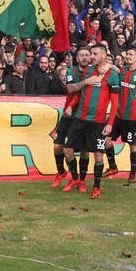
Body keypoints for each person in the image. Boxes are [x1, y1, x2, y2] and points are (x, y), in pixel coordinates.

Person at [62, 43, 119, 199]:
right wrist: (71, 106)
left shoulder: (112, 75)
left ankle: (96, 187)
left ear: (103, 55)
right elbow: (80, 93)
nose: (91, 56)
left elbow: (115, 102)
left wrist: (110, 123)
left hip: (98, 122)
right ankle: (75, 179)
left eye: (94, 54)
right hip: (80, 118)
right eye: (90, 53)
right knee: (68, 150)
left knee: (98, 155)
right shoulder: (87, 71)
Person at [104, 45, 136, 183]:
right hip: (118, 116)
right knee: (107, 141)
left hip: (132, 118)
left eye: (131, 55)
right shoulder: (123, 71)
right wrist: (108, 64)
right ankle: (113, 167)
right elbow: (116, 70)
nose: (128, 56)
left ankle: (132, 175)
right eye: (127, 54)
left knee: (133, 146)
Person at [51, 46, 91, 190]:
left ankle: (81, 180)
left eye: (87, 55)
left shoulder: (94, 72)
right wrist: (86, 83)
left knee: (84, 150)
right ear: (77, 58)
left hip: (86, 115)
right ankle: (61, 172)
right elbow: (70, 88)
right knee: (58, 146)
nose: (84, 57)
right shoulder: (71, 71)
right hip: (69, 113)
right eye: (81, 55)